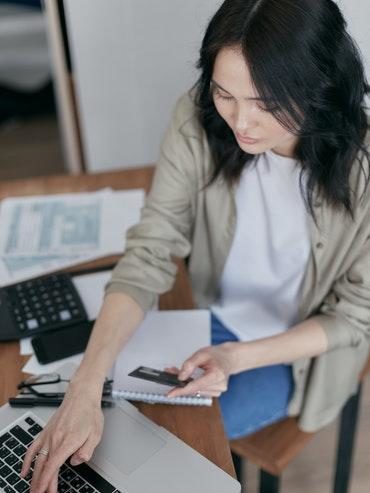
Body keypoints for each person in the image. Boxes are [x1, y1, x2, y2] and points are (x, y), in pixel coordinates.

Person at [22, 0, 370, 491]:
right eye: (226, 94)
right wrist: (84, 384)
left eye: (266, 104)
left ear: (319, 86)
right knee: (93, 412)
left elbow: (355, 316)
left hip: (289, 354)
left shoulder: (364, 172)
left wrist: (235, 358)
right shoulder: (198, 117)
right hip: (201, 313)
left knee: (160, 448)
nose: (241, 122)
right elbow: (150, 250)